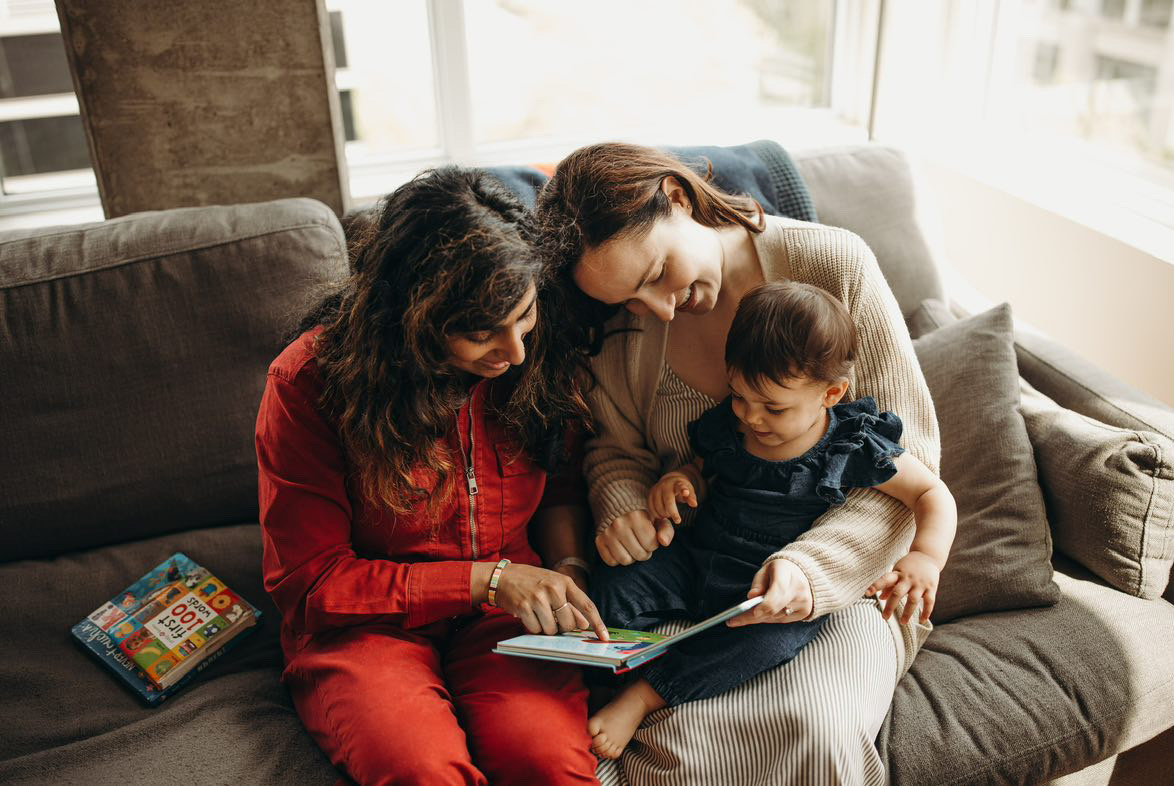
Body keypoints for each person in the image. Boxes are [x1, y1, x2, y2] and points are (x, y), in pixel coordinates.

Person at [535, 141, 942, 783]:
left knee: (812, 726)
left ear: (676, 197)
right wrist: (628, 511)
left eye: (655, 273)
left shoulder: (832, 264)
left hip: (842, 584)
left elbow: (908, 457)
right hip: (694, 564)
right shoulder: (617, 327)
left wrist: (808, 571)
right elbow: (615, 449)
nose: (658, 310)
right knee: (634, 725)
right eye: (630, 300)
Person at [255, 167, 609, 786]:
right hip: (365, 626)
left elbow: (559, 484)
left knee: (550, 766)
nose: (514, 353)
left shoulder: (539, 351)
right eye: (480, 334)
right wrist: (485, 581)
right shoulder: (309, 383)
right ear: (411, 319)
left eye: (524, 315)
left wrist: (569, 570)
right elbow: (311, 584)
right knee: (422, 771)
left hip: (506, 616)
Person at [585, 280, 957, 758]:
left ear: (831, 393)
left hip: (768, 593)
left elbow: (931, 492)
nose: (752, 418)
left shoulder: (850, 444)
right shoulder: (732, 423)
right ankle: (593, 678)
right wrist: (680, 483)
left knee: (769, 644)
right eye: (740, 397)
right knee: (615, 581)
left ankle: (647, 693)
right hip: (698, 559)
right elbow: (701, 470)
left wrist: (926, 557)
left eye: (774, 408)